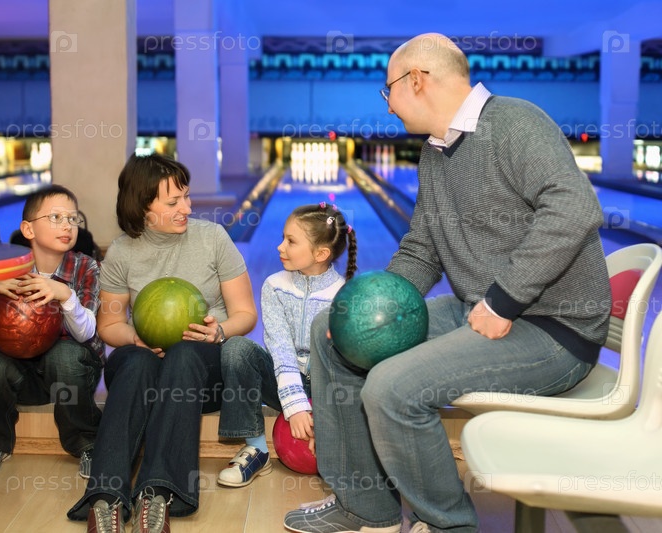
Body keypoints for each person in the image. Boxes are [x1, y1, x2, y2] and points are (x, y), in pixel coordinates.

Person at [284, 33, 612, 533]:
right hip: (477, 311)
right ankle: (365, 507)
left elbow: (574, 208)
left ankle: (448, 525)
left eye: (388, 90)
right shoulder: (435, 155)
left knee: (392, 388)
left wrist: (503, 302)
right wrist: (367, 310)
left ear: (416, 79)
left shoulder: (515, 123)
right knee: (332, 333)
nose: (388, 105)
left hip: (553, 330)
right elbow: (422, 248)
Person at [66, 153, 258, 533]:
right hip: (145, 371)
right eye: (173, 202)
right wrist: (134, 337)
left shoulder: (213, 239)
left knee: (183, 353)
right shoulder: (121, 252)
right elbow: (109, 325)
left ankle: (159, 492)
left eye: (186, 196)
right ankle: (106, 497)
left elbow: (245, 314)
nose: (187, 208)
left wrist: (218, 331)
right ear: (142, 207)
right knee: (135, 360)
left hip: (203, 374)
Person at [0, 185, 104, 479]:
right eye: (56, 217)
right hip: (26, 377)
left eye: (73, 218)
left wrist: (65, 295)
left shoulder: (86, 267)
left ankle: (88, 443)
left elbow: (86, 333)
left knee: (64, 355)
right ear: (28, 229)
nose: (67, 225)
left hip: (74, 374)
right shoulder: (9, 268)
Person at [217, 202, 357, 487]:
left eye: (291, 241)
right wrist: (295, 405)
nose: (280, 246)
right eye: (283, 238)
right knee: (236, 349)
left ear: (321, 254)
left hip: (328, 386)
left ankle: (345, 452)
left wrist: (324, 415)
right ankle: (257, 449)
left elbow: (344, 366)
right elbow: (280, 348)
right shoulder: (274, 286)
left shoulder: (345, 294)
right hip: (283, 381)